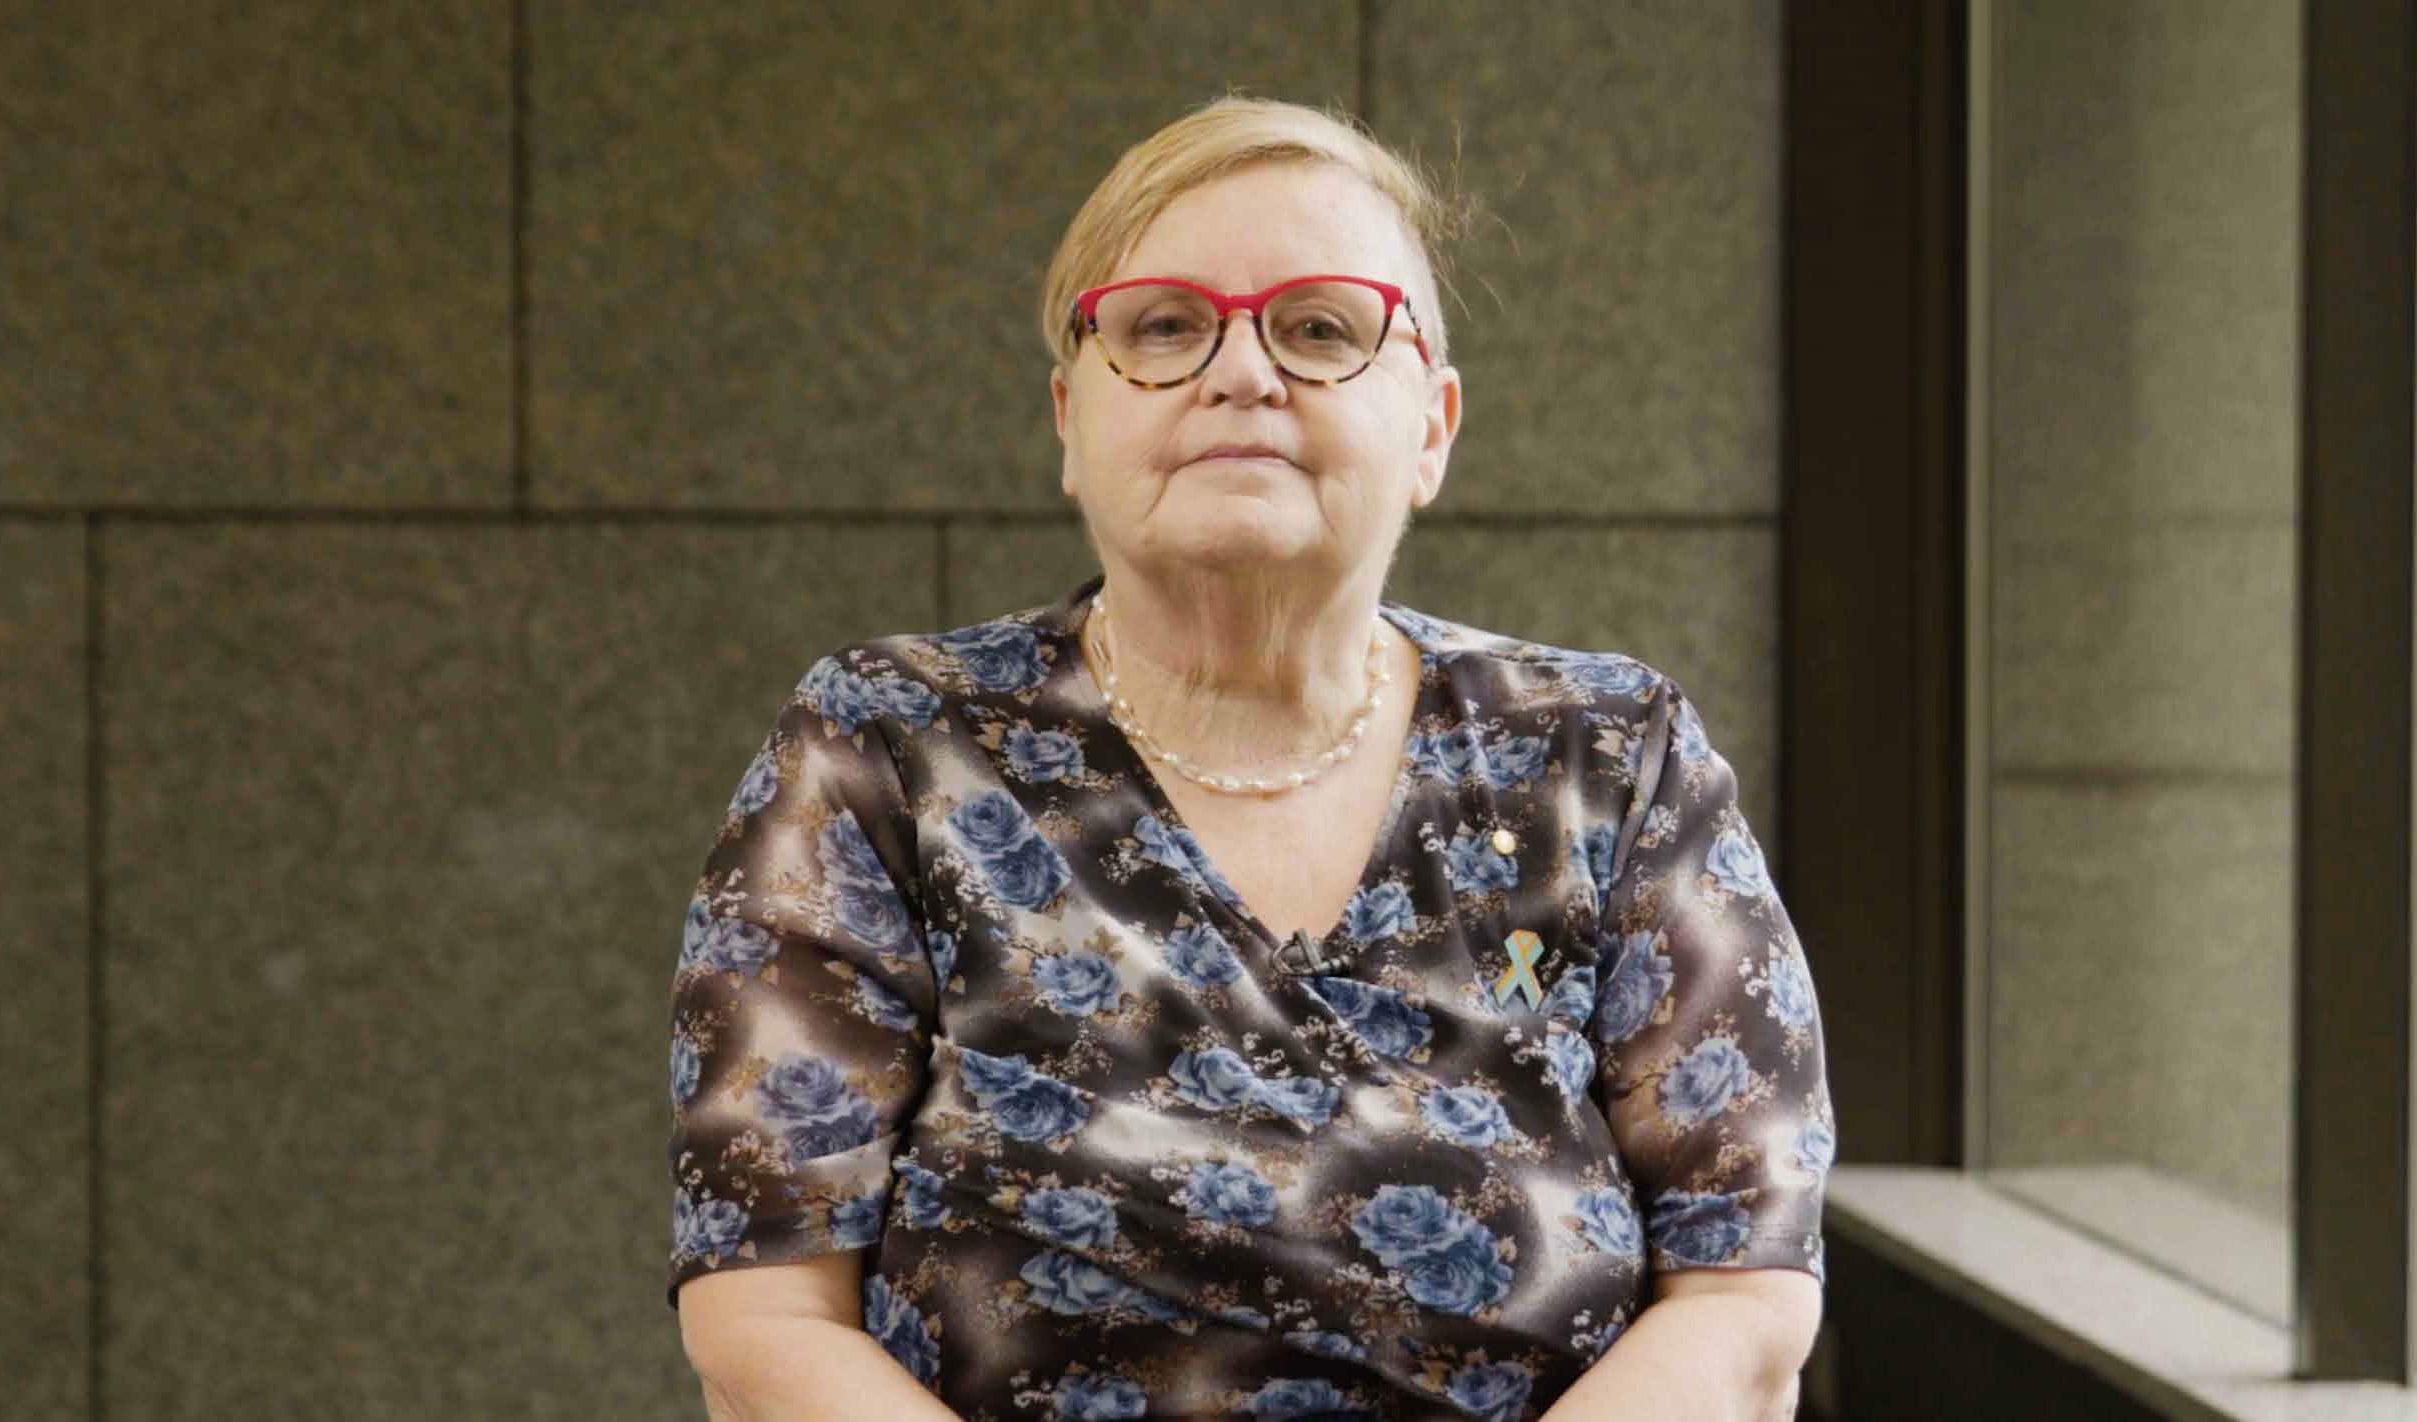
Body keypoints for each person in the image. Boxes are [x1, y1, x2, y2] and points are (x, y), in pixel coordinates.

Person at [665, 93, 1836, 1422]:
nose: (1239, 373)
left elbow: (1741, 1296)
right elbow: (764, 1314)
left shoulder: (1607, 758)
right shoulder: (886, 747)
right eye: (1164, 327)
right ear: (1067, 418)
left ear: (1433, 427)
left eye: (1320, 328)